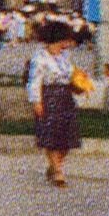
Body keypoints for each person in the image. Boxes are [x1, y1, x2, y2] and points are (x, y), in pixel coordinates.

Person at [24, 21, 83, 187]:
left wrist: (79, 84)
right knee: (51, 136)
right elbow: (34, 81)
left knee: (67, 138)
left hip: (65, 96)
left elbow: (71, 75)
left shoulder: (65, 57)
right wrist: (36, 101)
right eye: (65, 40)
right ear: (57, 39)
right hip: (49, 96)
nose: (68, 44)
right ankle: (58, 171)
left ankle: (54, 165)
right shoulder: (40, 58)